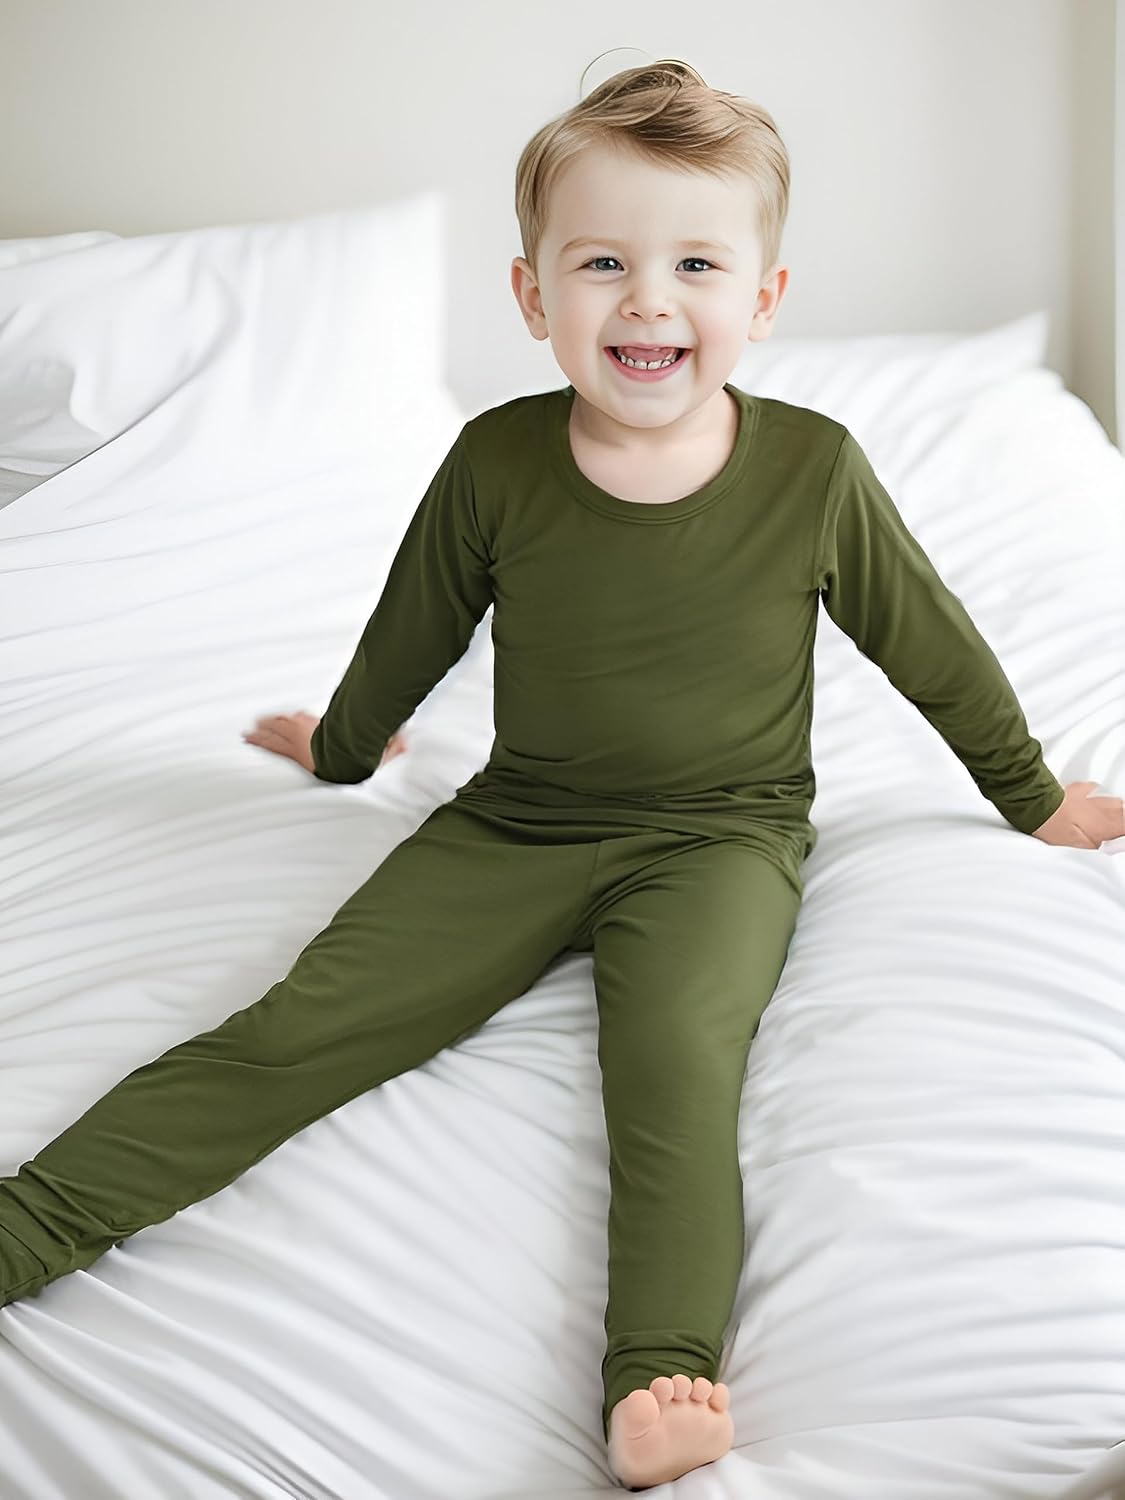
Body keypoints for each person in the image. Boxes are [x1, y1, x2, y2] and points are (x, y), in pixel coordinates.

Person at [1, 59, 1121, 1494]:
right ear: (534, 297)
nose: (648, 302)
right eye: (602, 264)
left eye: (695, 265)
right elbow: (409, 631)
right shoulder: (494, 463)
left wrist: (1032, 795)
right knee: (297, 1030)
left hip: (720, 842)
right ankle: (30, 1225)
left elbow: (932, 646)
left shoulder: (814, 472)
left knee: (676, 1070)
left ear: (764, 298)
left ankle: (659, 1363)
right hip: (516, 824)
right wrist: (343, 747)